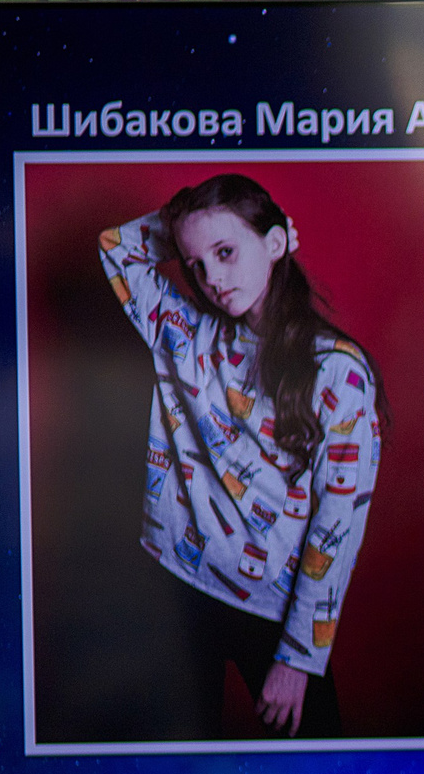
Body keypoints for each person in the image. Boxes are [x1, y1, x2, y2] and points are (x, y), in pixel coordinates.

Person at [96, 173, 382, 739]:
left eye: (227, 252)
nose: (211, 278)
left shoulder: (338, 371)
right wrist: (184, 229)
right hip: (174, 592)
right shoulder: (182, 332)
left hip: (271, 613)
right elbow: (116, 247)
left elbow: (337, 524)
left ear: (276, 244)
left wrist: (300, 658)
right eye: (195, 264)